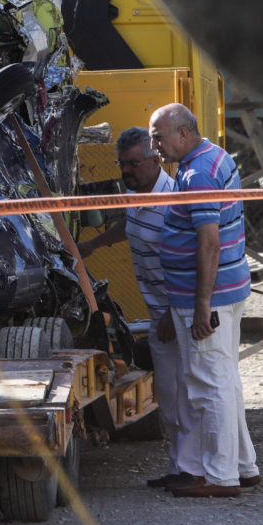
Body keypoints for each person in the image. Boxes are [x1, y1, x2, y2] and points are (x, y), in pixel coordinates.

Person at [149, 103, 260, 498]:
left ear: (182, 134)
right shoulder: (217, 157)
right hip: (230, 289)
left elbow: (209, 243)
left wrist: (201, 304)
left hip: (209, 296)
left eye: (158, 137)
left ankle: (218, 476)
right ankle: (242, 466)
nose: (154, 147)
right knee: (224, 379)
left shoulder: (196, 175)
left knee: (206, 384)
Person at [77, 126, 183, 489]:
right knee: (168, 396)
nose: (127, 171)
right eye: (123, 164)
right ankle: (182, 467)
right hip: (160, 312)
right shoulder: (140, 194)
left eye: (134, 164)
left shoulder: (172, 204)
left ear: (156, 161)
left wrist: (172, 315)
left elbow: (185, 265)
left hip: (176, 312)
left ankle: (196, 470)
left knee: (184, 394)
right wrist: (97, 244)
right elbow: (134, 223)